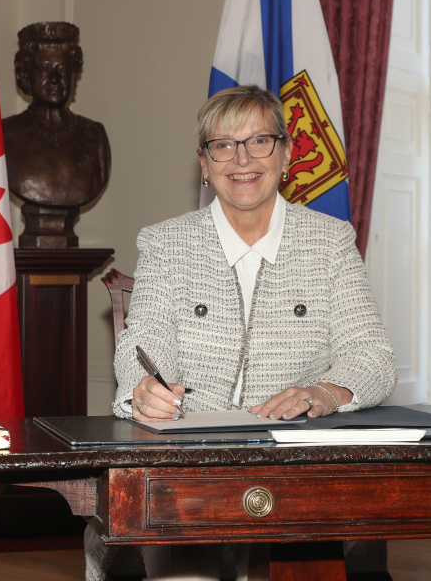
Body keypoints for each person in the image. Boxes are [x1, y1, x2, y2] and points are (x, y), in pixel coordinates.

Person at [96, 85, 396, 581]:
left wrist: (323, 391)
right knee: (182, 569)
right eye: (223, 145)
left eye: (259, 141)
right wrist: (144, 390)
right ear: (205, 163)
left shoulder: (331, 240)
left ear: (286, 153)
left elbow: (373, 358)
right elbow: (142, 341)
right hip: (191, 464)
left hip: (296, 467)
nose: (242, 159)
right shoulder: (165, 241)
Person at [2, 21, 110, 247]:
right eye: (44, 68)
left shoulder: (94, 135)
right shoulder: (5, 134)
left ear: (74, 76)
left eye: (62, 69)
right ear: (26, 75)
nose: (54, 78)